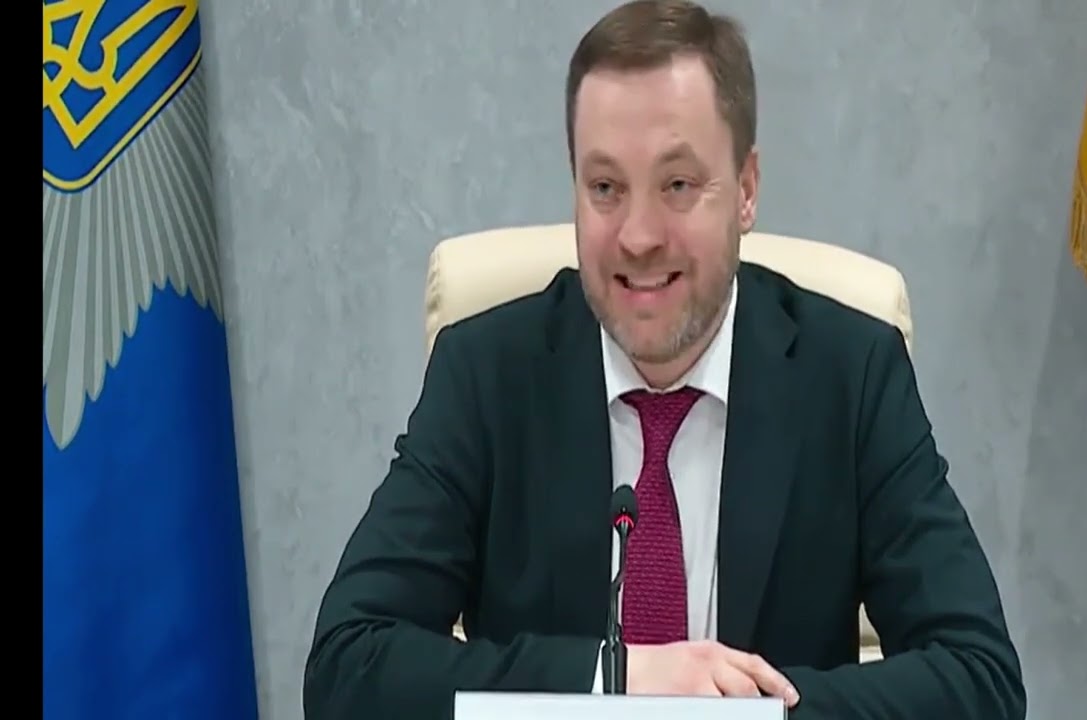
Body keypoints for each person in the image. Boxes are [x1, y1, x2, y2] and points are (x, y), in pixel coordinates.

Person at [303, 1, 1025, 718]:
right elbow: (346, 666)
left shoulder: (851, 375)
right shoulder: (486, 375)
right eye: (606, 188)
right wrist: (614, 681)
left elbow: (981, 680)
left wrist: (740, 713)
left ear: (745, 190)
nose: (639, 236)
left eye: (677, 185)